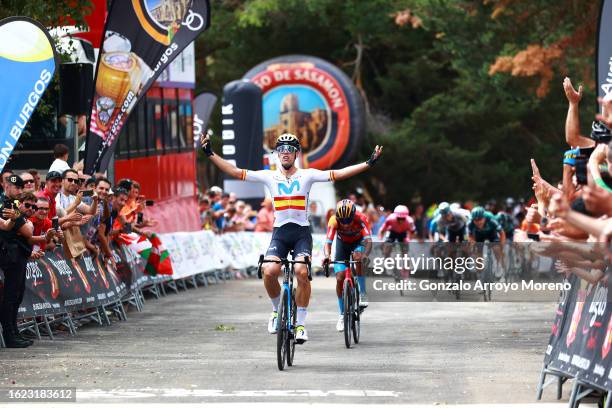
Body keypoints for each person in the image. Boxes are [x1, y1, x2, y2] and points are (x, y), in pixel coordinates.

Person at [201, 132, 382, 343]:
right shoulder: (268, 176)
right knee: (269, 271)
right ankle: (277, 311)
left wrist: (368, 163)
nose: (285, 153)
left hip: (301, 233)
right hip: (280, 233)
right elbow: (234, 171)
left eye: (289, 149)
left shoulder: (307, 175)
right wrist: (209, 153)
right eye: (281, 149)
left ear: (296, 153)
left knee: (301, 271)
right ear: (277, 154)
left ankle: (301, 325)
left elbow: (339, 173)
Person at [323, 199, 372, 332]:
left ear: (354, 215)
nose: (345, 224)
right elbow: (328, 242)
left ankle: (362, 293)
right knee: (339, 277)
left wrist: (365, 255)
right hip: (342, 244)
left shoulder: (361, 219)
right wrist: (327, 256)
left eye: (348, 220)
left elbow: (368, 241)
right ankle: (342, 314)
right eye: (342, 221)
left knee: (358, 258)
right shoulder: (333, 221)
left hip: (358, 243)